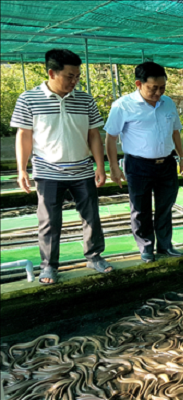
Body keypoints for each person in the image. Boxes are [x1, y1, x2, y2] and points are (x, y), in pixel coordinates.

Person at [10, 49, 113, 285]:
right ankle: (48, 266)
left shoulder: (85, 99)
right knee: (49, 221)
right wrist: (21, 169)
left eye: (77, 76)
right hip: (47, 172)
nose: (74, 81)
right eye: (69, 76)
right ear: (51, 73)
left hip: (83, 170)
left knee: (91, 216)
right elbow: (24, 136)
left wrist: (100, 165)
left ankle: (94, 256)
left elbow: (94, 135)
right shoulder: (29, 99)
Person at [105, 62, 183, 263]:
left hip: (166, 163)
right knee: (141, 209)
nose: (158, 93)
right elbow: (110, 138)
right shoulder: (122, 105)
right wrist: (114, 167)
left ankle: (165, 245)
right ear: (138, 84)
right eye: (153, 88)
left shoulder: (168, 103)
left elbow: (175, 131)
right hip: (138, 165)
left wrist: (182, 158)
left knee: (165, 206)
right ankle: (146, 247)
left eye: (162, 88)